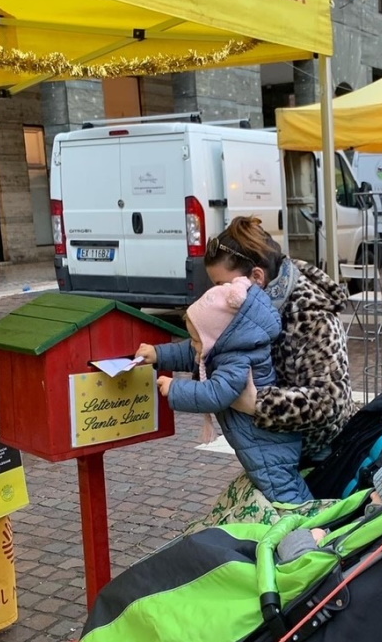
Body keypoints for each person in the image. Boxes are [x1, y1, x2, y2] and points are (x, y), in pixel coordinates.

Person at [137, 276, 313, 506]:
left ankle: (309, 532)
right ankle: (319, 519)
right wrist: (158, 354)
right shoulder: (228, 346)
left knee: (283, 495)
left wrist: (175, 388)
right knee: (289, 485)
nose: (193, 345)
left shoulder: (237, 358)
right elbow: (192, 355)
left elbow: (217, 393)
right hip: (263, 440)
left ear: (216, 338)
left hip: (266, 444)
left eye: (197, 340)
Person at [203, 216, 354, 461]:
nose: (218, 295)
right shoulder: (251, 308)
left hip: (319, 456)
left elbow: (329, 402)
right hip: (275, 447)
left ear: (257, 277)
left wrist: (256, 404)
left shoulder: (311, 315)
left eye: (222, 285)